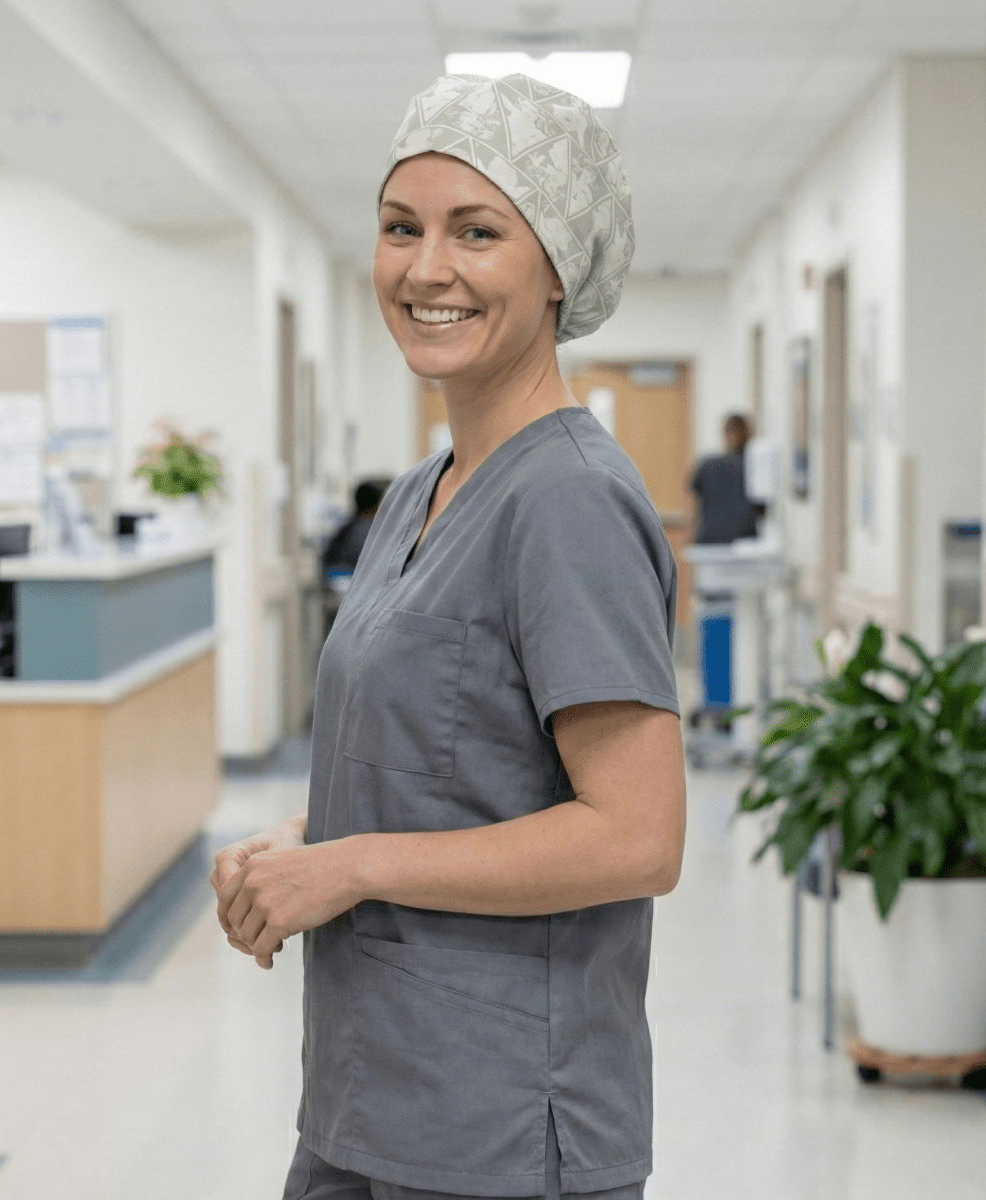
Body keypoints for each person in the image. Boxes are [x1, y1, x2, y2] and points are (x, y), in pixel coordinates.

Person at [210, 73, 686, 1200]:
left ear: (558, 267)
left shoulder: (566, 500)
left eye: (478, 231)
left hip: (502, 1120)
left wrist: (354, 865)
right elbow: (449, 765)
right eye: (399, 228)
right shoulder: (420, 488)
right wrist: (302, 842)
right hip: (369, 1090)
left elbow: (637, 837)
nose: (427, 269)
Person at [690, 412, 762, 544]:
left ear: (725, 434)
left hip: (709, 541)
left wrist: (691, 534)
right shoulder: (754, 467)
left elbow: (692, 503)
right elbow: (762, 510)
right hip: (744, 543)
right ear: (749, 434)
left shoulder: (707, 465)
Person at [321, 479, 387, 582]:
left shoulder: (350, 525)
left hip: (335, 575)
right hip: (346, 577)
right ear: (375, 505)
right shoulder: (365, 528)